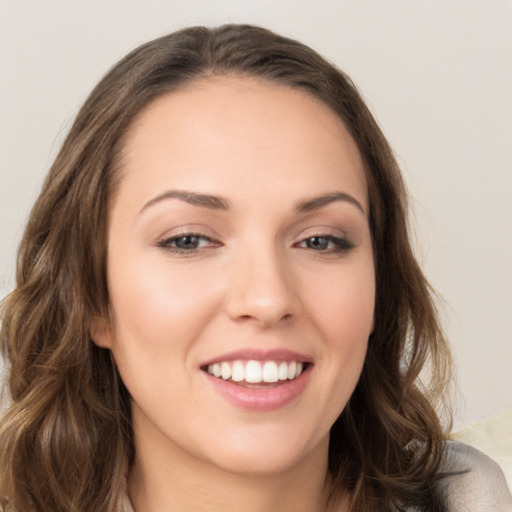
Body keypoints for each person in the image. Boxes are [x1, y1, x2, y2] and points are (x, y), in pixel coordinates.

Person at [0, 24, 510, 512]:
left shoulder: (471, 496)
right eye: (188, 239)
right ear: (93, 296)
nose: (267, 299)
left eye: (320, 240)